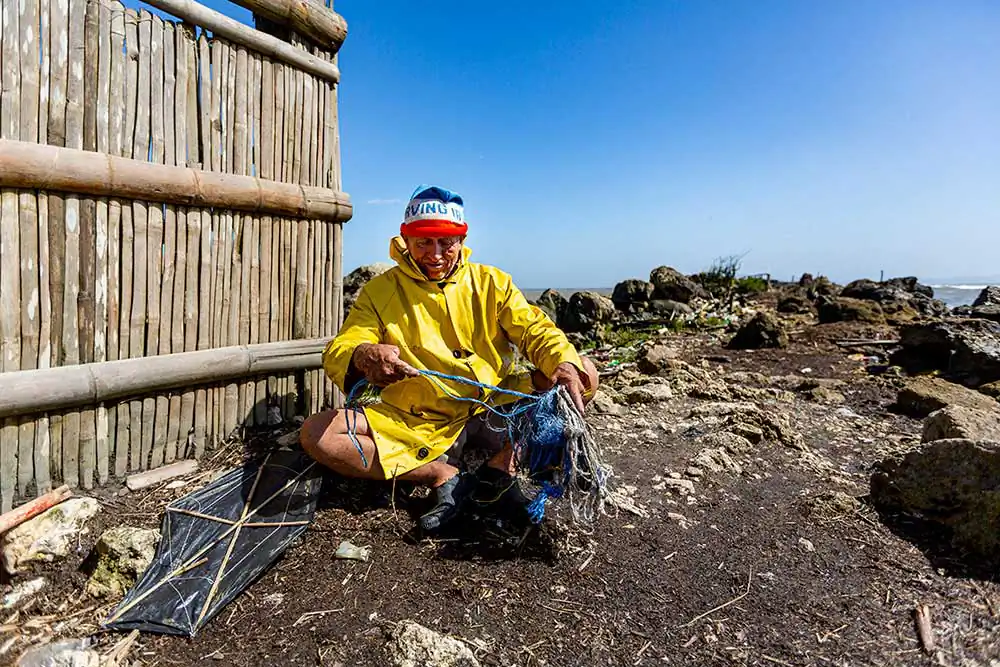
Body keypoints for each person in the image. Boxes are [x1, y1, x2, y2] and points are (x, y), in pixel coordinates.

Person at [300, 185, 599, 531]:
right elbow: (346, 343)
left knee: (584, 373)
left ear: (462, 239)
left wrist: (561, 362)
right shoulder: (379, 292)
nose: (436, 254)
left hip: (495, 406)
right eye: (424, 243)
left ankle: (502, 467)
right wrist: (364, 355)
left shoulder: (492, 282)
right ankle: (439, 473)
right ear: (406, 240)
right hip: (417, 419)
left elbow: (535, 329)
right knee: (317, 434)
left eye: (446, 242)